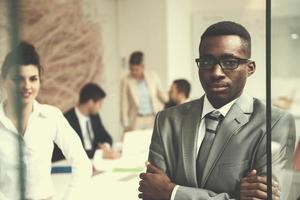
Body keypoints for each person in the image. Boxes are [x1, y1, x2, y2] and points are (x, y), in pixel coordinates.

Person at [138, 21, 295, 200]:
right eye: (206, 62)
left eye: (229, 62)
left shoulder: (274, 123)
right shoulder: (167, 120)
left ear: (250, 68)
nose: (216, 72)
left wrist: (173, 193)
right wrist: (233, 196)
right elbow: (152, 192)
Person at [0, 41, 92, 200]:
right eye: (17, 79)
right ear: (3, 80)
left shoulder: (51, 117)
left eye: (33, 79)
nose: (26, 86)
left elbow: (82, 164)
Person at [53, 83, 120, 160]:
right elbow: (73, 150)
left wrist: (105, 146)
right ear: (90, 102)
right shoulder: (67, 119)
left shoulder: (95, 117)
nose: (101, 107)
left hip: (94, 161)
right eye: (100, 103)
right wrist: (99, 153)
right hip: (72, 164)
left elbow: (107, 137)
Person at [121, 51, 167, 131]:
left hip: (153, 117)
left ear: (142, 67)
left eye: (137, 69)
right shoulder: (126, 80)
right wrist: (125, 124)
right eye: (131, 69)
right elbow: (124, 103)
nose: (134, 72)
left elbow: (161, 94)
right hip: (136, 119)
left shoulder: (153, 76)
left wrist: (171, 103)